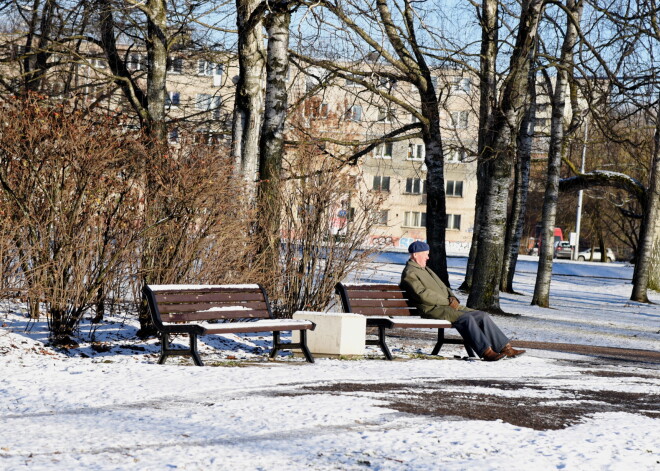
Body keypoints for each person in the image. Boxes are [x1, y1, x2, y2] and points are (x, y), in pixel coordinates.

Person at [400, 241, 525, 361]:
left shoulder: (424, 269)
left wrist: (452, 297)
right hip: (432, 309)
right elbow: (422, 295)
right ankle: (486, 352)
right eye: (425, 254)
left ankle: (505, 348)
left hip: (445, 305)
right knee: (466, 318)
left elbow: (443, 287)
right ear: (415, 255)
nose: (428, 257)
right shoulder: (410, 272)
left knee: (481, 316)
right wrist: (447, 301)